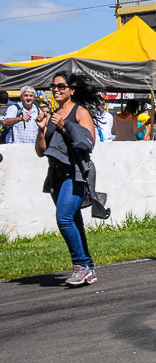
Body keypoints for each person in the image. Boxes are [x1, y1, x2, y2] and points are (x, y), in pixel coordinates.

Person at [34, 71, 105, 286]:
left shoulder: (79, 112)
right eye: (53, 86)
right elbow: (41, 151)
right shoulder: (53, 115)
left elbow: (88, 142)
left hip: (75, 173)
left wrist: (65, 126)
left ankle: (80, 265)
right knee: (74, 220)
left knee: (64, 218)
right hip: (56, 175)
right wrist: (41, 130)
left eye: (61, 86)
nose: (56, 90)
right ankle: (89, 269)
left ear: (71, 90)